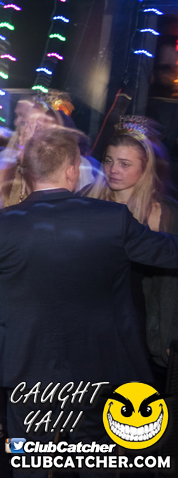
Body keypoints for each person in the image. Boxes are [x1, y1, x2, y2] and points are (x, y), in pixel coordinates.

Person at [0, 127, 178, 478]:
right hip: (96, 362)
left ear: (28, 172)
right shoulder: (111, 219)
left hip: (25, 364)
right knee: (95, 454)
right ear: (72, 170)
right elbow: (169, 253)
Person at [86, 117, 178, 372]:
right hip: (89, 316)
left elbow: (171, 285)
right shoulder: (87, 200)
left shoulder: (164, 213)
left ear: (146, 168)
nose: (113, 170)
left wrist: (169, 334)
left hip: (138, 323)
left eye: (125, 164)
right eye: (109, 160)